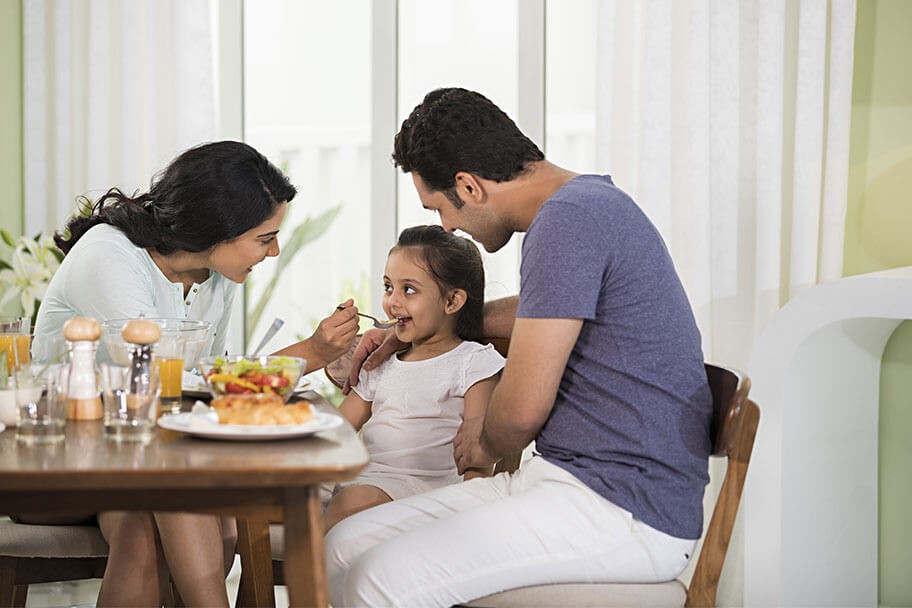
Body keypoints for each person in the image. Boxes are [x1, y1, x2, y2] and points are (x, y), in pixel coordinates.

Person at [324, 87, 714, 607]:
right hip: (565, 482)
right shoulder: (587, 206)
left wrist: (483, 443)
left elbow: (521, 412)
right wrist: (435, 325)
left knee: (378, 578)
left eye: (440, 208)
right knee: (344, 546)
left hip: (623, 508)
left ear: (468, 185)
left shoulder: (567, 222)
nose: (447, 226)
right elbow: (537, 313)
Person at [28, 140, 360, 607]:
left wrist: (319, 351)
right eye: (264, 238)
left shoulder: (214, 276)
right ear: (215, 230)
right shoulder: (109, 256)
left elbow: (207, 382)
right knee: (182, 506)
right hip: (53, 458)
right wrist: (311, 351)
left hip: (137, 462)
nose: (274, 252)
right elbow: (169, 388)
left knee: (176, 524)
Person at [323, 224, 504, 531]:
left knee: (349, 502)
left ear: (452, 302)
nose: (392, 301)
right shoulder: (382, 361)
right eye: (387, 286)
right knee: (295, 493)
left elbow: (478, 456)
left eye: (409, 290)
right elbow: (336, 432)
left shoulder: (473, 362)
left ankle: (315, 574)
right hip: (366, 479)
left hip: (428, 492)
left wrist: (474, 519)